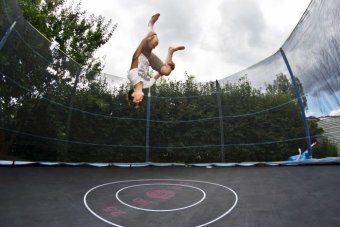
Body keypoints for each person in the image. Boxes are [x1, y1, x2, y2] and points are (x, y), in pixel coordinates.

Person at [127, 13, 185, 107]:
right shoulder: (147, 84)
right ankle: (171, 51)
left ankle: (150, 24)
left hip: (142, 53)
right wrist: (170, 67)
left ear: (133, 95)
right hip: (150, 60)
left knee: (155, 41)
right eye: (140, 101)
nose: (141, 99)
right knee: (167, 71)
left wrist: (145, 39)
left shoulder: (133, 77)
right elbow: (160, 74)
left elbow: (134, 58)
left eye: (137, 100)